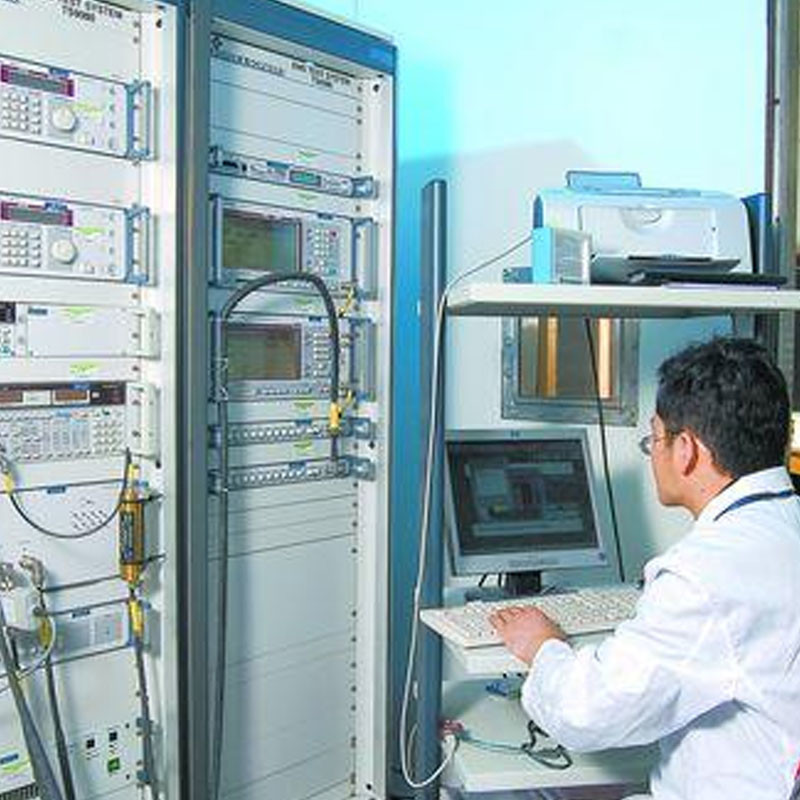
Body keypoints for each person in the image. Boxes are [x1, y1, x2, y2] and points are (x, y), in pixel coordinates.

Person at [490, 336, 800, 800]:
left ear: (686, 450)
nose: (652, 452)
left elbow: (585, 712)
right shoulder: (783, 525)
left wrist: (543, 645)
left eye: (654, 438)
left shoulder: (703, 575)